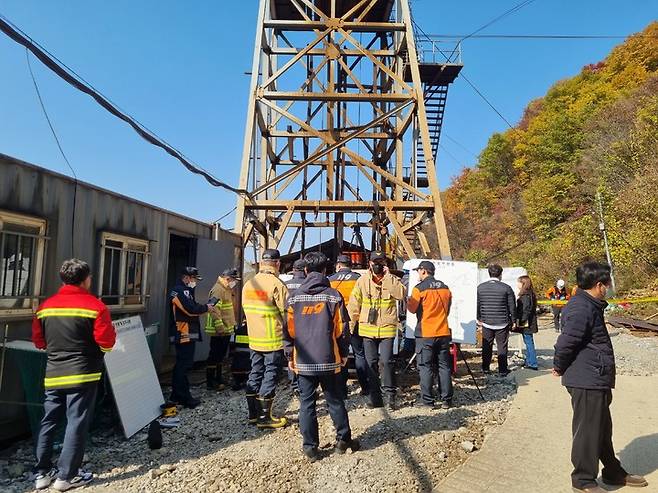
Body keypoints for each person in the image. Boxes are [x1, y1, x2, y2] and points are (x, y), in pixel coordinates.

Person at [553, 262, 647, 492]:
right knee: (588, 430)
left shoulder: (590, 305)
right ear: (599, 285)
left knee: (602, 427)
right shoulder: (581, 308)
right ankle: (583, 479)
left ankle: (613, 472)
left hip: (596, 377)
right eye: (608, 283)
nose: (610, 287)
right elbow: (566, 343)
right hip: (586, 379)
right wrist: (558, 366)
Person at [31, 259, 116, 491]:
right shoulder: (96, 306)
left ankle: (41, 474)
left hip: (53, 372)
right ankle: (66, 477)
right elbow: (106, 341)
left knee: (48, 421)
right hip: (83, 373)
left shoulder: (45, 306)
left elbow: (39, 341)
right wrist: (99, 352)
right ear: (86, 279)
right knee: (75, 422)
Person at [284, 252, 360, 462]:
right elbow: (341, 329)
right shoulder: (333, 296)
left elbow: (288, 331)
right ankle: (343, 441)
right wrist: (344, 353)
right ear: (326, 270)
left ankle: (310, 447)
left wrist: (289, 354)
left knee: (307, 403)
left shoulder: (294, 297)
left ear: (305, 270)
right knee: (335, 400)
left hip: (303, 360)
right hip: (329, 358)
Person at [347, 251, 405, 410]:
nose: (377, 265)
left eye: (380, 262)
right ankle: (375, 398)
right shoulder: (362, 281)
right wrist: (351, 326)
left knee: (386, 362)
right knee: (370, 363)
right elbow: (353, 304)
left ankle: (390, 396)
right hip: (367, 329)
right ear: (370, 263)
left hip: (386, 328)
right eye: (375, 262)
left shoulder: (392, 280)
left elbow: (401, 294)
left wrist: (387, 277)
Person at [242, 249, 289, 428]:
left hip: (254, 339)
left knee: (255, 373)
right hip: (272, 339)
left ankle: (253, 415)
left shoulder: (249, 284)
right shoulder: (277, 285)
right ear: (277, 264)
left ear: (262, 263)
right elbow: (287, 314)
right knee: (270, 374)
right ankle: (264, 418)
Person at [407, 261, 454, 409]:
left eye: (418, 271)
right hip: (443, 332)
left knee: (425, 366)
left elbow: (412, 309)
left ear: (423, 271)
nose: (417, 274)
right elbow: (448, 310)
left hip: (425, 333)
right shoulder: (445, 288)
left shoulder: (418, 289)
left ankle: (427, 401)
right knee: (444, 366)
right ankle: (447, 400)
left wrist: (407, 302)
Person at [169, 267, 217, 409]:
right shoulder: (179, 291)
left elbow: (192, 306)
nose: (195, 282)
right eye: (194, 279)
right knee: (183, 365)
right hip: (183, 332)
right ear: (187, 278)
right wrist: (206, 308)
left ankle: (177, 395)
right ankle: (183, 397)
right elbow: (190, 309)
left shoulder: (185, 291)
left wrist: (204, 306)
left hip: (186, 332)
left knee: (182, 364)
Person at [329, 254, 368, 397]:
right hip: (356, 320)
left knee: (340, 354)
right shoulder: (358, 279)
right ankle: (365, 387)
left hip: (338, 322)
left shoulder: (330, 280)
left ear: (338, 265)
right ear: (350, 265)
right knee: (359, 354)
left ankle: (341, 390)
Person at [477, 264, 516, 376]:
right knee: (502, 346)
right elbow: (512, 305)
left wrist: (479, 318)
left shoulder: (480, 287)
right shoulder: (506, 288)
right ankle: (503, 370)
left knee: (486, 345)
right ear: (500, 274)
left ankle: (485, 368)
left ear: (489, 273)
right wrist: (513, 320)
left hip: (486, 321)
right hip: (502, 322)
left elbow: (477, 304)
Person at [205, 268, 240, 391]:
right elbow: (214, 309)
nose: (235, 283)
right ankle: (211, 381)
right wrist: (220, 327)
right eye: (234, 280)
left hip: (225, 330)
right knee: (215, 356)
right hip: (218, 331)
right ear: (228, 279)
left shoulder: (226, 289)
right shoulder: (218, 290)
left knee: (220, 356)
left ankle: (218, 378)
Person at [284, 259, 307, 395]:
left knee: (291, 356)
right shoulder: (307, 284)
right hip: (304, 324)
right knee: (303, 355)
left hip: (289, 323)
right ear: (305, 270)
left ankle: (294, 384)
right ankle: (304, 382)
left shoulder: (284, 285)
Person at [516, 275, 539, 371]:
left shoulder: (525, 296)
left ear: (523, 283)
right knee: (528, 341)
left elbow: (526, 310)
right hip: (529, 322)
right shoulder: (530, 294)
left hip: (527, 323)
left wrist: (521, 321)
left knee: (529, 342)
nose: (517, 284)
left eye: (519, 282)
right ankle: (530, 360)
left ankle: (532, 363)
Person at [230, 321, 251, 391]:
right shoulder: (253, 331)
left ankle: (237, 382)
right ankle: (246, 382)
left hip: (236, 366)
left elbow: (232, 345)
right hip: (248, 364)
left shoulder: (238, 330)